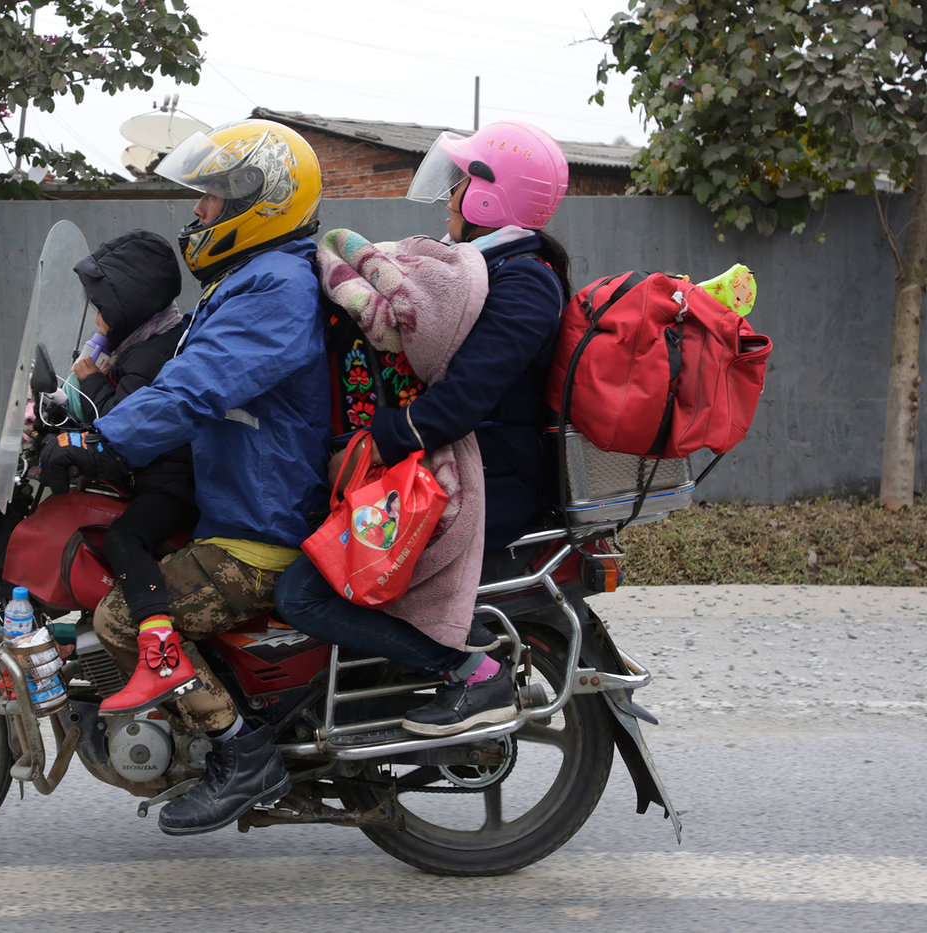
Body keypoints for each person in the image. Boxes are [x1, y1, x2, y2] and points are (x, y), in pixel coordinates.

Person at [39, 119, 331, 835]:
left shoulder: (274, 288)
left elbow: (193, 390)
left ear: (258, 202)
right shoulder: (251, 280)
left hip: (260, 530)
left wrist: (100, 440)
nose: (197, 212)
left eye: (210, 197)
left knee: (118, 617)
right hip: (239, 506)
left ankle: (241, 751)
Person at [275, 120, 574, 738]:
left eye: (463, 182)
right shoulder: (488, 265)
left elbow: (460, 403)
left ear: (492, 198)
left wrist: (374, 442)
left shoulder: (526, 282)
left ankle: (474, 672)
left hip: (488, 481)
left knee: (302, 593)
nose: (450, 196)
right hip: (459, 459)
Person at [52, 229, 201, 716]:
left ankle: (161, 650)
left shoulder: (153, 351)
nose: (96, 318)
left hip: (172, 482)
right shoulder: (143, 339)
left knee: (122, 541)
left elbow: (123, 423)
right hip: (153, 472)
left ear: (131, 307)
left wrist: (91, 378)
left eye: (103, 308)